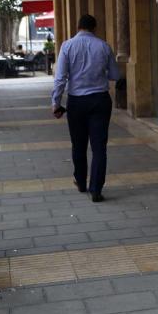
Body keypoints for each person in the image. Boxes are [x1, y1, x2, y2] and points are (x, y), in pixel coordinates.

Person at [51, 14, 120, 202]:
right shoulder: (104, 46)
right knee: (99, 147)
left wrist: (56, 103)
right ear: (94, 28)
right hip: (100, 100)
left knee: (78, 144)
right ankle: (96, 189)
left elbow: (60, 78)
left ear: (78, 26)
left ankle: (81, 182)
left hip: (76, 102)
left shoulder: (67, 46)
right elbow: (115, 75)